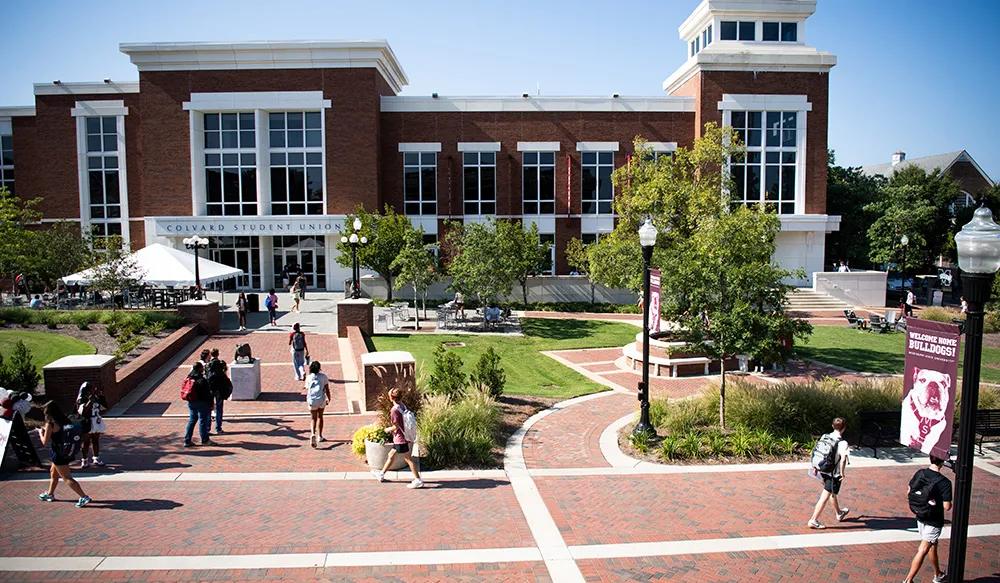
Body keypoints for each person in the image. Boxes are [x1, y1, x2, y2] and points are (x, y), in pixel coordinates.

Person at [903, 455, 952, 583]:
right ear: (943, 462)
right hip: (934, 520)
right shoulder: (945, 482)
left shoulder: (920, 473)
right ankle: (908, 580)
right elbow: (947, 506)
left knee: (932, 544)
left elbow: (909, 491)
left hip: (920, 515)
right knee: (923, 549)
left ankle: (938, 574)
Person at [38, 402, 91, 507]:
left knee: (67, 478)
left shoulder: (50, 423)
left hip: (58, 453)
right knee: (53, 472)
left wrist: (40, 433)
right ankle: (50, 494)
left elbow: (45, 442)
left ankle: (84, 497)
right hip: (65, 450)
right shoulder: (64, 420)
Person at [372, 388, 423, 489]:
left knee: (408, 458)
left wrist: (386, 430)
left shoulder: (394, 410)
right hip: (403, 436)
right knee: (391, 455)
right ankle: (381, 474)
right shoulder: (402, 405)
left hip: (401, 438)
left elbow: (396, 426)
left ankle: (418, 480)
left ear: (391, 397)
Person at [807, 417, 851, 529]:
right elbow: (843, 459)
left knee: (831, 491)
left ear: (832, 426)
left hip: (823, 469)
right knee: (825, 496)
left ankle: (839, 513)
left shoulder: (825, 437)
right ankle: (813, 519)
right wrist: (842, 473)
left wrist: (815, 466)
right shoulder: (843, 443)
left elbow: (819, 452)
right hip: (833, 474)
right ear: (844, 428)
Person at [76, 382, 108, 468]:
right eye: (89, 390)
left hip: (96, 420)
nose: (91, 391)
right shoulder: (82, 399)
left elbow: (104, 407)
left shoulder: (97, 397)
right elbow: (83, 411)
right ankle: (84, 460)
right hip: (87, 421)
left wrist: (101, 396)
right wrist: (90, 401)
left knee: (95, 440)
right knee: (86, 442)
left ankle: (96, 458)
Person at [183, 362, 214, 447]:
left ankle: (187, 440)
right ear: (200, 369)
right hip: (201, 403)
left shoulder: (189, 378)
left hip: (191, 402)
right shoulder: (201, 380)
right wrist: (211, 404)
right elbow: (207, 393)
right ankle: (205, 440)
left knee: (192, 420)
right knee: (202, 421)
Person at [304, 361, 331, 448]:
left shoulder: (308, 378)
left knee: (313, 418)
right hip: (321, 399)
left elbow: (307, 388)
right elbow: (327, 389)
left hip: (312, 400)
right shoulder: (323, 377)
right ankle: (320, 436)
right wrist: (328, 398)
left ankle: (312, 433)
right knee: (320, 416)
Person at [207, 348, 230, 434]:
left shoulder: (208, 364)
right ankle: (218, 428)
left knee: (209, 408)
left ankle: (207, 429)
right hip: (220, 388)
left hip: (210, 388)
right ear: (218, 354)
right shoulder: (222, 363)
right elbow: (225, 374)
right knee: (219, 408)